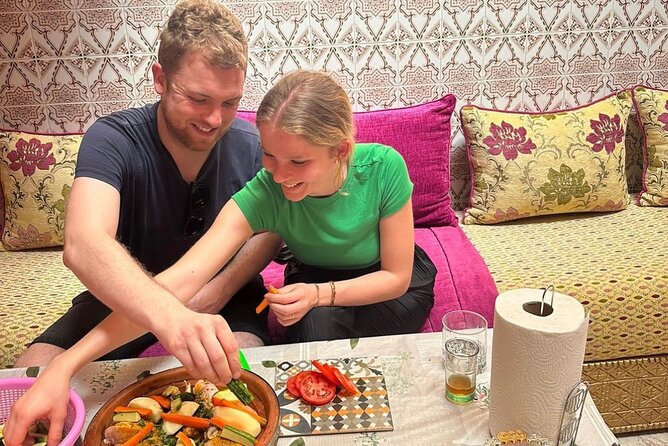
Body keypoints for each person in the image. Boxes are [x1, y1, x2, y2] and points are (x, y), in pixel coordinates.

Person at [4, 69, 436, 445]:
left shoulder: (383, 167)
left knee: (365, 364)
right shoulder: (266, 191)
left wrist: (319, 294)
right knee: (316, 352)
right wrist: (66, 364)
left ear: (340, 151)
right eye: (268, 155)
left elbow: (396, 277)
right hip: (313, 277)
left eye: (298, 161)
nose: (280, 175)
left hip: (389, 283)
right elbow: (170, 288)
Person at [12, 0, 280, 420]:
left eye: (229, 102)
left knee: (234, 397)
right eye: (198, 99)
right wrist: (171, 314)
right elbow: (84, 243)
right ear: (160, 78)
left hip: (226, 296)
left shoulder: (251, 144)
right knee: (29, 377)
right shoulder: (112, 139)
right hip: (123, 294)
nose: (215, 119)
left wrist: (223, 287)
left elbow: (271, 230)